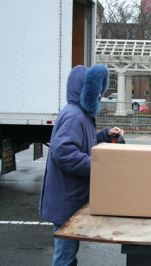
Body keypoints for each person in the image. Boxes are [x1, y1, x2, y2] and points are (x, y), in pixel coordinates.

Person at [39, 64, 123, 266]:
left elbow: (81, 142)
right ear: (85, 91)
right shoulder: (74, 115)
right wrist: (96, 165)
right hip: (66, 200)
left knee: (68, 252)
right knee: (65, 256)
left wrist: (103, 135)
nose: (98, 97)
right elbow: (63, 151)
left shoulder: (80, 114)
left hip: (69, 198)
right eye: (95, 92)